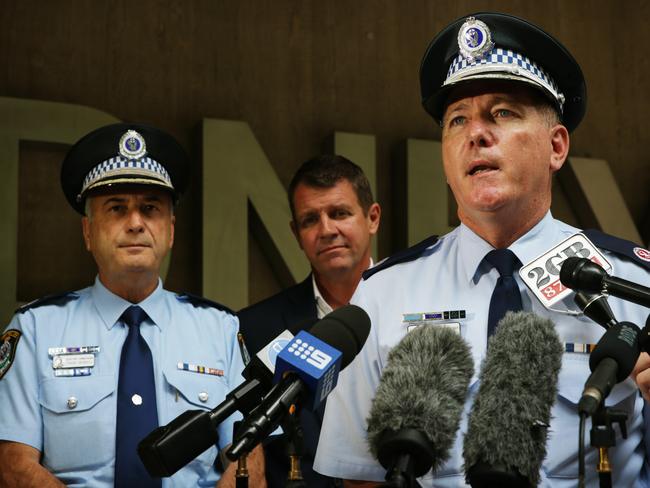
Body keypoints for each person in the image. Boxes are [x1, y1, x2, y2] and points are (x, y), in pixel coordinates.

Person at [314, 12, 650, 487]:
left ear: (557, 146)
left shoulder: (631, 286)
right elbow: (361, 478)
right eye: (457, 120)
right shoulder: (383, 294)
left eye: (502, 114)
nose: (476, 133)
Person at [0, 123, 265, 487]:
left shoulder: (219, 328)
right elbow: (14, 465)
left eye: (150, 208)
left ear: (170, 231)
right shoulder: (34, 329)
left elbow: (248, 457)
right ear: (88, 233)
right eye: (116, 208)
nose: (136, 223)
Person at [238, 154, 381, 487]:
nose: (327, 229)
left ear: (372, 217)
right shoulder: (255, 328)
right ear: (295, 232)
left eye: (340, 213)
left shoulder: (414, 310)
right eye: (310, 220)